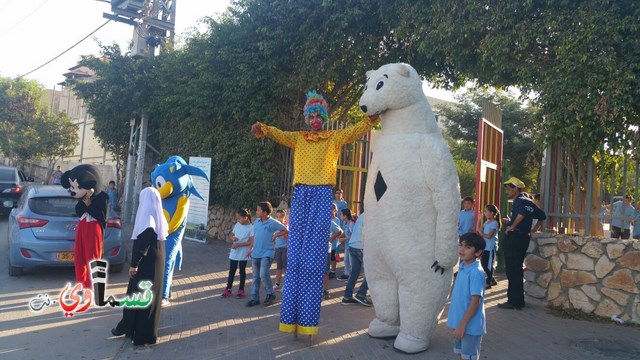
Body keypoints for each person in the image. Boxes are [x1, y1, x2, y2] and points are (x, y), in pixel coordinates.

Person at [251, 90, 378, 335]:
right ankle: (290, 318)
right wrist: (263, 129)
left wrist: (370, 120)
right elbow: (279, 133)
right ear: (307, 119)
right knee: (296, 250)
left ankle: (308, 319)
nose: (315, 121)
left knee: (315, 255)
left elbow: (355, 131)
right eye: (311, 117)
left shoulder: (334, 137)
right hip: (301, 194)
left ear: (325, 118)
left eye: (319, 116)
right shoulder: (299, 138)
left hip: (321, 193)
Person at [111, 187, 168, 346]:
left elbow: (142, 246)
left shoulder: (147, 219)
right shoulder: (157, 217)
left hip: (146, 262)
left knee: (139, 296)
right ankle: (130, 328)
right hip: (157, 259)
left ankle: (138, 333)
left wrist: (134, 265)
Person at [498, 177, 546, 310]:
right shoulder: (529, 202)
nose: (507, 191)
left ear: (516, 189)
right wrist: (533, 230)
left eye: (508, 189)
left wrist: (511, 226)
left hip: (514, 238)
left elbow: (521, 214)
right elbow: (542, 216)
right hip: (523, 238)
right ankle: (518, 301)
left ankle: (513, 301)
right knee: (517, 269)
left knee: (512, 270)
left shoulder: (519, 201)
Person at [447, 232, 486, 360]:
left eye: (468, 247)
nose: (462, 249)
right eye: (461, 245)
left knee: (468, 357)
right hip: (460, 324)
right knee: (461, 354)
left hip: (469, 327)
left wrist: (462, 325)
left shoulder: (476, 272)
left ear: (478, 252)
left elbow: (475, 302)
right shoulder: (462, 268)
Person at [246, 201, 288, 307]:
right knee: (255, 277)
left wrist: (276, 235)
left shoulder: (272, 222)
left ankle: (270, 294)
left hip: (267, 253)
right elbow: (254, 237)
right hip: (256, 253)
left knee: (263, 274)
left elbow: (285, 230)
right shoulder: (256, 222)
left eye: (258, 210)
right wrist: (250, 249)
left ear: (265, 212)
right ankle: (254, 298)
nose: (256, 211)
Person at [340, 212, 372, 306]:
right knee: (371, 272)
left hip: (353, 245)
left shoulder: (363, 214)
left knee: (354, 272)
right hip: (360, 245)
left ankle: (347, 297)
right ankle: (361, 294)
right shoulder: (371, 214)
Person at [222, 209, 254, 299]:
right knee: (232, 271)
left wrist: (239, 244)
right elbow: (232, 235)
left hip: (243, 253)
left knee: (242, 271)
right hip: (234, 252)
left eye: (239, 218)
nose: (238, 220)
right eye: (237, 219)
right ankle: (228, 289)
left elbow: (251, 242)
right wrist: (233, 238)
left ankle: (241, 290)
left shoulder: (251, 228)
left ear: (245, 218)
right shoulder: (237, 225)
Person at [477, 204, 501, 289]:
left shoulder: (494, 223)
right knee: (483, 264)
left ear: (491, 213)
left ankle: (489, 282)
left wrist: (481, 234)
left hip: (490, 248)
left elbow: (489, 236)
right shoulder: (486, 222)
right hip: (485, 247)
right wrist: (479, 220)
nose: (485, 213)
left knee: (488, 265)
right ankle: (492, 279)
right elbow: (479, 230)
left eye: (486, 211)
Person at [323, 216, 343, 299]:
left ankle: (324, 290)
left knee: (326, 271)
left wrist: (331, 238)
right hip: (314, 251)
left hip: (326, 250)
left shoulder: (330, 222)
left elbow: (340, 231)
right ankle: (315, 290)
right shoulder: (312, 222)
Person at [337, 208, 356, 281]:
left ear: (345, 216)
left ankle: (352, 278)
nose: (340, 216)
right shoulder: (345, 223)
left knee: (351, 262)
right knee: (346, 260)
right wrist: (341, 236)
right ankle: (346, 274)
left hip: (352, 246)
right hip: (347, 246)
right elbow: (345, 232)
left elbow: (353, 236)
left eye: (341, 214)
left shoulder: (351, 223)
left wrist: (343, 239)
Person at [273, 209, 289, 292]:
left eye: (281, 216)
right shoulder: (276, 226)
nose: (279, 219)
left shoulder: (285, 226)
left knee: (285, 267)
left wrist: (277, 234)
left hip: (285, 248)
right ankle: (277, 283)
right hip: (278, 248)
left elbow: (284, 236)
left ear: (284, 217)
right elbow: (273, 237)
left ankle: (286, 285)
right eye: (278, 217)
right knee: (278, 267)